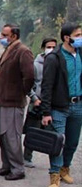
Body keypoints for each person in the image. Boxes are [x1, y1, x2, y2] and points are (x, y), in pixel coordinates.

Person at [0, 24, 34, 181]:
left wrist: (20, 91)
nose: (1, 37)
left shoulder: (23, 51)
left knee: (12, 135)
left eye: (4, 34)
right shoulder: (8, 49)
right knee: (2, 134)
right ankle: (7, 165)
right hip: (0, 99)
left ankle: (17, 168)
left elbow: (29, 76)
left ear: (13, 36)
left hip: (12, 101)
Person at [40, 23, 82, 187]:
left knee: (72, 142)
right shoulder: (54, 57)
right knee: (59, 141)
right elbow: (47, 85)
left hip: (78, 104)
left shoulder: (80, 54)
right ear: (67, 38)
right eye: (77, 35)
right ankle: (54, 175)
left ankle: (65, 168)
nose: (80, 38)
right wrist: (46, 111)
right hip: (59, 106)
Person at [23, 38, 58, 168]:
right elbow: (29, 84)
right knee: (32, 131)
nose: (51, 49)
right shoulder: (36, 65)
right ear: (43, 48)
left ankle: (55, 162)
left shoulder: (58, 63)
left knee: (53, 132)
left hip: (53, 103)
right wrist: (34, 98)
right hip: (37, 102)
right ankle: (27, 157)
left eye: (54, 47)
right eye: (49, 47)